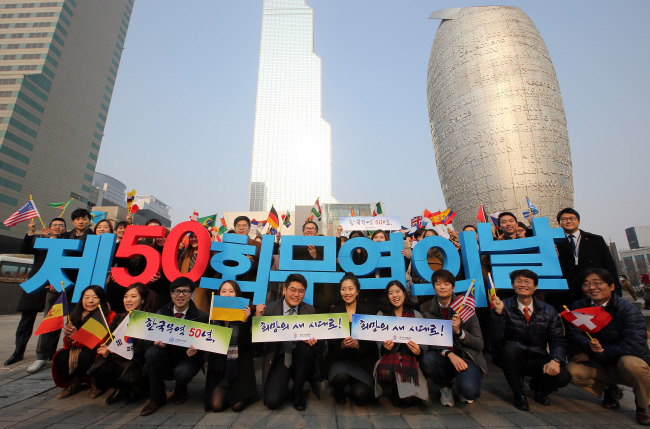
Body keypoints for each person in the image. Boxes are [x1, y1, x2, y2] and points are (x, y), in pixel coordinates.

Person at [566, 268, 650, 426]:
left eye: (597, 283)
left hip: (625, 363)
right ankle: (610, 388)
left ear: (611, 286)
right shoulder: (579, 307)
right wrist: (587, 344)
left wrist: (592, 355)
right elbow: (574, 333)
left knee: (632, 364)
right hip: (603, 365)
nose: (591, 287)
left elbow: (633, 345)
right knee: (572, 372)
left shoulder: (628, 310)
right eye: (587, 284)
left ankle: (643, 404)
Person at [490, 269, 571, 411]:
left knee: (563, 376)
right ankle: (518, 394)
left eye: (527, 282)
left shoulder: (549, 310)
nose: (523, 285)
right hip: (513, 357)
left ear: (535, 286)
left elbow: (557, 339)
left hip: (538, 356)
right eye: (518, 281)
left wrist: (556, 360)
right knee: (509, 350)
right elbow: (496, 336)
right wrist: (498, 314)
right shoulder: (503, 306)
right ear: (512, 285)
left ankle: (540, 389)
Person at [5, 217, 67, 372]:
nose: (58, 227)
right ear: (49, 227)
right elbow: (24, 250)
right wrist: (32, 232)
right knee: (26, 319)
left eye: (61, 225)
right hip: (36, 283)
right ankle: (18, 352)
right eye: (55, 225)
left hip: (55, 285)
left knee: (53, 321)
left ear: (65, 229)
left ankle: (50, 353)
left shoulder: (68, 244)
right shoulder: (41, 241)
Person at [141, 277, 208, 416]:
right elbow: (145, 342)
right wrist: (154, 343)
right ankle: (157, 398)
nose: (181, 295)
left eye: (185, 291)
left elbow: (206, 346)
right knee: (152, 353)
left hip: (187, 360)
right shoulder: (159, 315)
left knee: (182, 373)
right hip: (165, 357)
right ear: (171, 294)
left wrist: (197, 350)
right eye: (176, 291)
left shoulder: (200, 317)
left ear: (192, 294)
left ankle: (181, 388)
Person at [420, 269, 486, 407]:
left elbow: (479, 344)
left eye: (447, 283)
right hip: (443, 356)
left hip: (466, 358)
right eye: (438, 284)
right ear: (434, 287)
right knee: (428, 360)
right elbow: (428, 341)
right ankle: (445, 386)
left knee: (470, 391)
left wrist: (459, 332)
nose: (442, 287)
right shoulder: (425, 308)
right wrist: (449, 354)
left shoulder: (466, 308)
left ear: (453, 287)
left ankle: (462, 385)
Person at [260, 273, 321, 411]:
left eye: (301, 291)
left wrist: (314, 341)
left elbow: (319, 339)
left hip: (301, 357)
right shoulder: (270, 309)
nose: (296, 294)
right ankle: (282, 383)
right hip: (281, 356)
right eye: (293, 290)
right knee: (272, 401)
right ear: (284, 290)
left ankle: (297, 393)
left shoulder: (309, 310)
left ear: (304, 293)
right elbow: (259, 344)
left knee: (307, 349)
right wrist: (258, 322)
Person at [91, 283, 156, 404]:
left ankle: (137, 390)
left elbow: (143, 350)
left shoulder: (149, 320)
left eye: (133, 296)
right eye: (126, 296)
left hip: (137, 363)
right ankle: (121, 388)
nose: (128, 300)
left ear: (142, 300)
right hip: (117, 358)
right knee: (100, 367)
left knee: (127, 368)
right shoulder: (120, 317)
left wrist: (116, 350)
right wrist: (107, 348)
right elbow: (110, 339)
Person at [52, 285, 116, 399]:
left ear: (101, 299)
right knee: (61, 357)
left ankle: (96, 383)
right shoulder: (74, 316)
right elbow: (67, 345)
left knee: (86, 356)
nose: (90, 301)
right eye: (86, 297)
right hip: (78, 349)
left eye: (95, 297)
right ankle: (74, 381)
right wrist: (69, 337)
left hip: (97, 351)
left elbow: (99, 341)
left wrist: (77, 338)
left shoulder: (108, 316)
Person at [551, 208, 621, 310]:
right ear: (559, 223)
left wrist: (616, 291)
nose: (568, 221)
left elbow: (609, 265)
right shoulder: (554, 243)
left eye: (572, 218)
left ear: (578, 221)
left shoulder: (595, 240)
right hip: (566, 293)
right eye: (564, 219)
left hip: (593, 290)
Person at [205, 280, 258, 412]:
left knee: (237, 406)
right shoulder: (213, 316)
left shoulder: (246, 315)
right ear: (219, 294)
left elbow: (250, 347)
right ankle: (226, 391)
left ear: (237, 294)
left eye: (231, 291)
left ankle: (239, 393)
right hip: (220, 369)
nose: (227, 294)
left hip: (240, 368)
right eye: (223, 291)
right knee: (216, 406)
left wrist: (245, 323)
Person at [324, 273, 376, 405]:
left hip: (362, 363)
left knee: (361, 395)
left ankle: (353, 384)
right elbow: (330, 344)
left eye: (351, 289)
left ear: (357, 291)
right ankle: (338, 389)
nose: (347, 292)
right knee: (340, 377)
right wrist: (341, 345)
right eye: (343, 289)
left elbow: (373, 344)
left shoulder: (368, 313)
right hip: (340, 360)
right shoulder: (335, 312)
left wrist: (359, 346)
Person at [375, 280, 428, 406]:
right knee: (386, 372)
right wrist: (384, 347)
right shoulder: (381, 315)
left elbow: (424, 344)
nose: (395, 296)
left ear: (404, 294)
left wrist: (418, 351)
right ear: (387, 296)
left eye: (398, 291)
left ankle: (403, 391)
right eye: (391, 293)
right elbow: (377, 346)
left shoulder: (415, 315)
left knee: (408, 401)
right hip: (389, 359)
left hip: (410, 361)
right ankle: (392, 388)